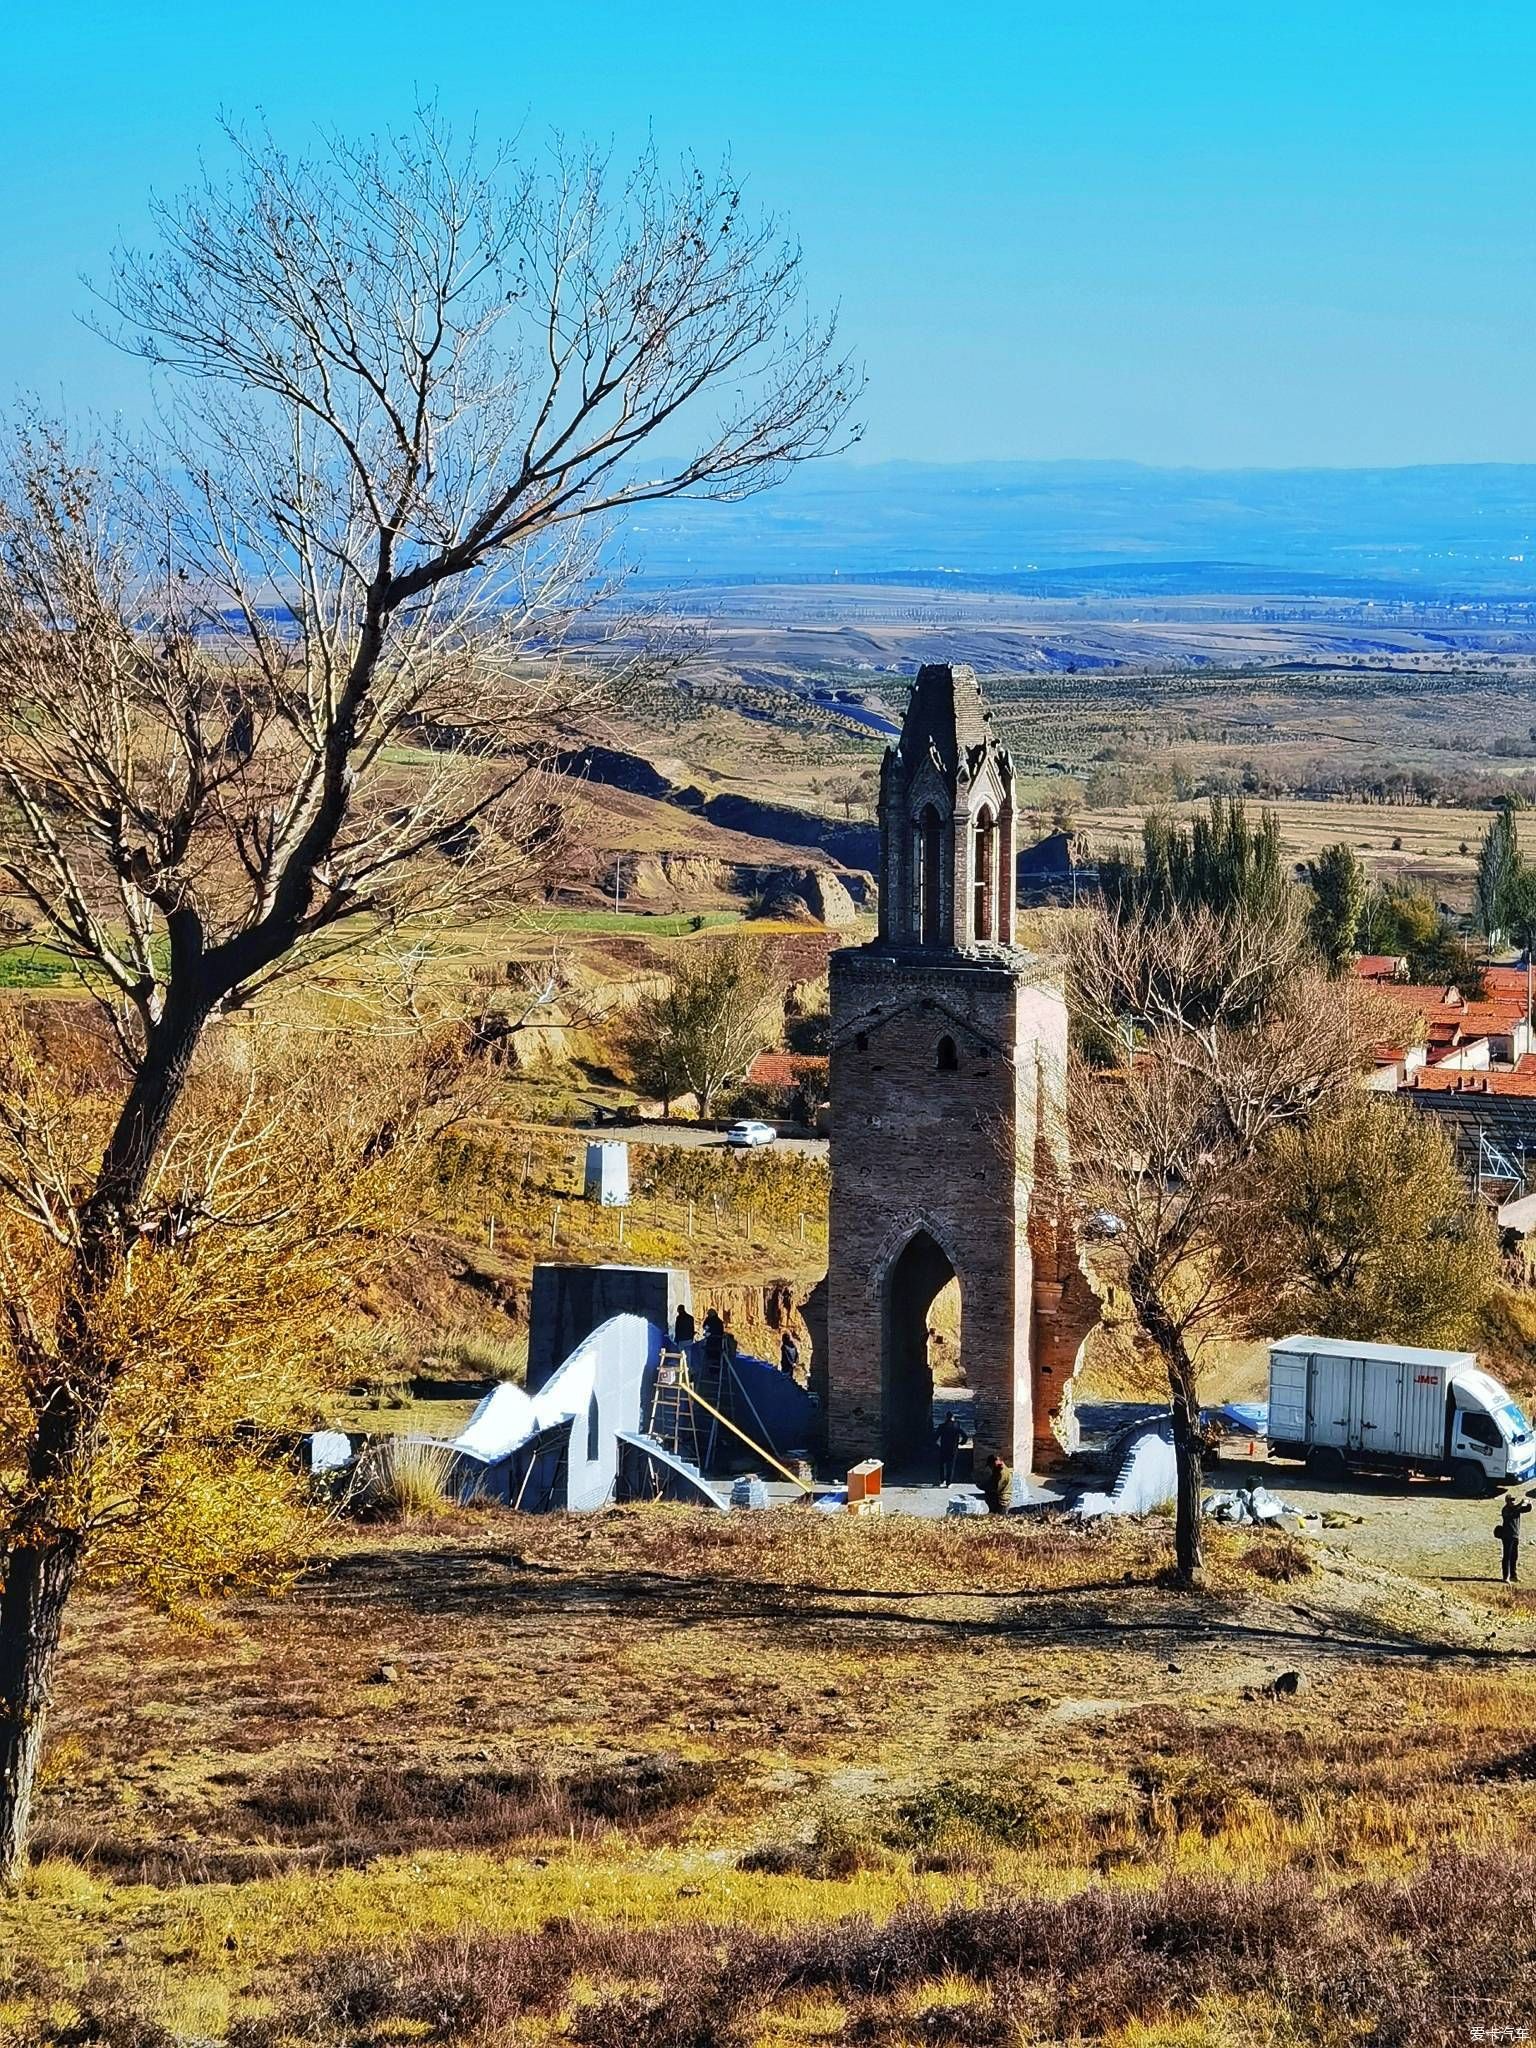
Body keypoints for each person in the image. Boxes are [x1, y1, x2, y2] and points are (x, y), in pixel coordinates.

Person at [1498, 1493, 1532, 1583]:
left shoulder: (1516, 1509)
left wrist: (1529, 1503)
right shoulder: (1505, 1509)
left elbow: (1528, 1509)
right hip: (1507, 1536)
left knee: (1514, 1557)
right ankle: (1506, 1577)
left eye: (1514, 1500)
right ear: (1507, 1501)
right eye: (1511, 1500)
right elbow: (1512, 1511)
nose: (1513, 1502)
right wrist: (1521, 1503)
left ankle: (1513, 1576)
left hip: (1515, 1536)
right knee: (1507, 1557)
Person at [935, 1410, 964, 1487]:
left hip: (943, 1448)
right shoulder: (957, 1426)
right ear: (953, 1417)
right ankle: (948, 1483)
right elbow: (965, 1436)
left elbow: (935, 1437)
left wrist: (936, 1445)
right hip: (953, 1449)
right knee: (950, 1466)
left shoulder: (942, 1426)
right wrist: (961, 1443)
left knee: (941, 1464)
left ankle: (941, 1480)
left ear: (946, 1418)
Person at [701, 1309, 725, 1374]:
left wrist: (706, 1320)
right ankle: (717, 1372)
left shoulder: (710, 1321)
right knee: (717, 1358)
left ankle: (711, 1371)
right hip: (718, 1344)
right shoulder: (719, 1322)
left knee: (710, 1357)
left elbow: (705, 1327)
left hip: (711, 1343)